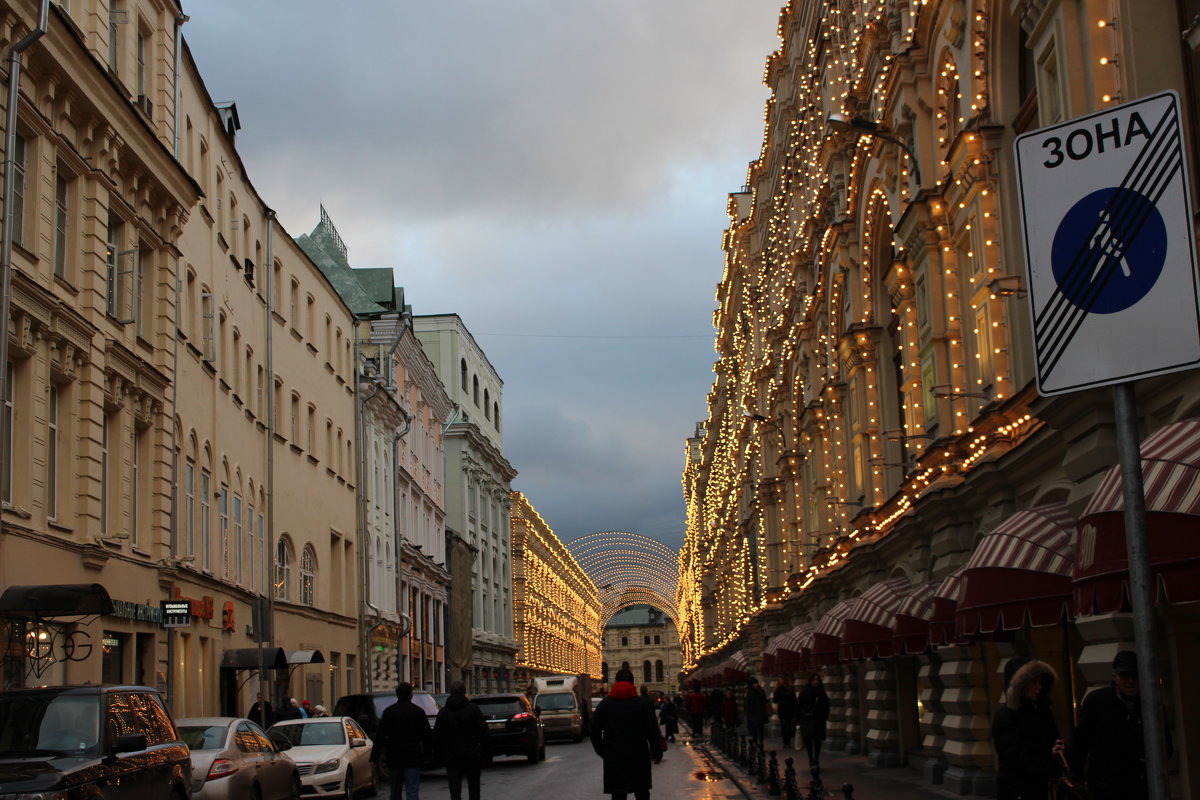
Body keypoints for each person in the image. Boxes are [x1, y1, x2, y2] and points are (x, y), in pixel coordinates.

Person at [1069, 650, 1146, 800]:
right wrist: (1077, 780)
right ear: (1114, 675)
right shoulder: (1096, 702)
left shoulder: (1148, 703)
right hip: (1105, 787)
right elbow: (1080, 743)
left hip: (1139, 784)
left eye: (1135, 676)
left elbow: (1165, 744)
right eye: (1125, 676)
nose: (1131, 681)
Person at [990, 656, 1063, 800]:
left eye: (1040, 681)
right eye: (1034, 682)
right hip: (1018, 790)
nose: (1039, 686)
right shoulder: (1006, 716)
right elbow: (1014, 756)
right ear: (1021, 685)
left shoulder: (1042, 710)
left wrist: (1061, 751)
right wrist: (1049, 767)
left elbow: (1054, 738)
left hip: (1044, 788)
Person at [590, 667, 662, 800]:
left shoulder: (605, 704)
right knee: (642, 793)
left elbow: (594, 731)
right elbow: (652, 731)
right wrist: (657, 752)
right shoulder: (641, 704)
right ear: (633, 683)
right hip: (639, 757)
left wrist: (603, 752)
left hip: (614, 758)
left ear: (616, 682)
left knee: (618, 795)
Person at [370, 682, 433, 800]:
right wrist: (428, 754)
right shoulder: (418, 712)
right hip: (412, 756)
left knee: (395, 791)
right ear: (410, 695)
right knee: (412, 790)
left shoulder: (389, 712)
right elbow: (426, 735)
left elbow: (380, 736)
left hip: (394, 757)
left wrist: (374, 757)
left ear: (397, 695)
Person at [434, 681, 488, 800]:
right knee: (474, 787)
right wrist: (483, 752)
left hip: (451, 756)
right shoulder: (473, 710)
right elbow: (483, 732)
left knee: (454, 789)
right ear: (464, 693)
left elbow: (437, 735)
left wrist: (439, 756)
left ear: (450, 693)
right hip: (471, 754)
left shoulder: (443, 712)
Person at [797, 672, 830, 776]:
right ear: (810, 681)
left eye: (817, 680)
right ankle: (811, 758)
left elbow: (826, 706)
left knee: (817, 741)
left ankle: (816, 759)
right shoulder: (805, 692)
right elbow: (798, 705)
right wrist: (802, 716)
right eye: (814, 679)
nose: (815, 681)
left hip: (818, 721)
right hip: (807, 721)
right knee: (808, 741)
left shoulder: (822, 693)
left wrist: (824, 717)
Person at [773, 676, 797, 749]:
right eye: (779, 679)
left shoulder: (790, 688)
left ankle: (788, 742)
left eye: (782, 679)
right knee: (784, 726)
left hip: (789, 709)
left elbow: (794, 699)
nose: (781, 681)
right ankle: (785, 742)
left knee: (789, 726)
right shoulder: (778, 689)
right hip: (783, 710)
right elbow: (775, 700)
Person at [744, 676, 769, 743]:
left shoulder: (761, 690)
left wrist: (767, 700)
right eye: (755, 683)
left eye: (757, 683)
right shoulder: (749, 693)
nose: (756, 685)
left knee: (761, 730)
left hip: (761, 713)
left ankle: (761, 742)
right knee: (755, 730)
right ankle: (756, 743)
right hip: (754, 714)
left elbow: (764, 700)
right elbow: (748, 704)